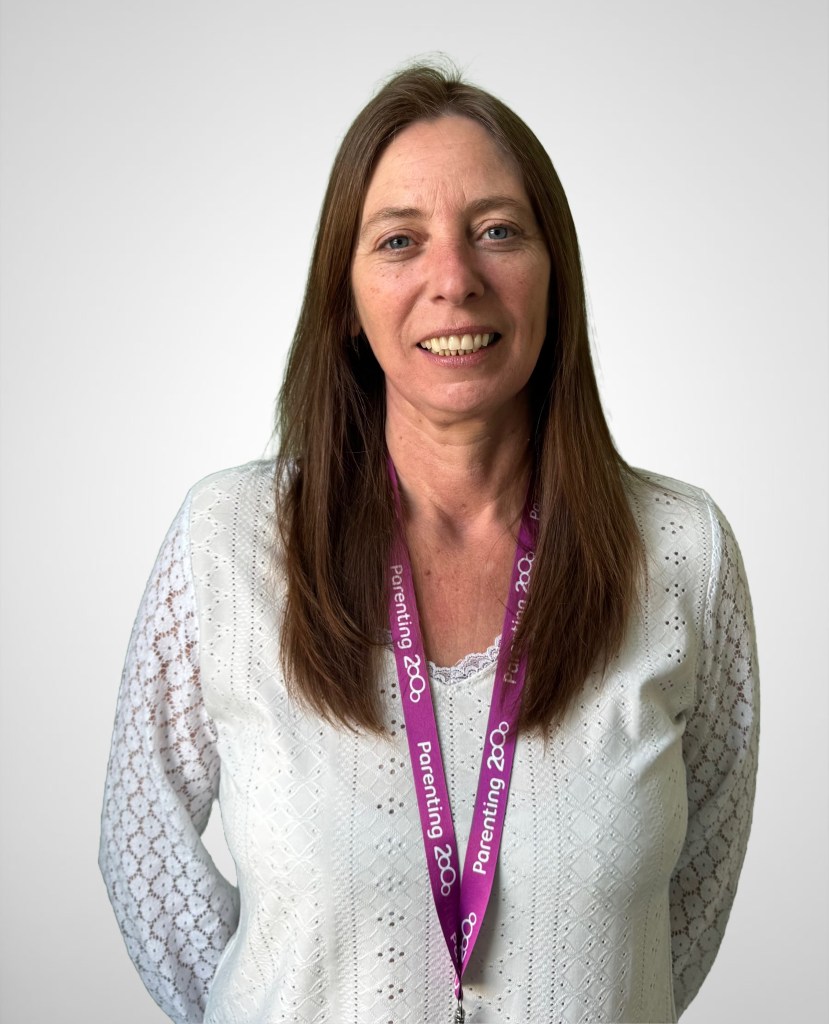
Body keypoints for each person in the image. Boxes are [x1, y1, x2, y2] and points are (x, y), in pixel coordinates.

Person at [99, 62, 759, 1024]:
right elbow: (141, 845)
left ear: (554, 274)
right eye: (400, 240)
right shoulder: (227, 543)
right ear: (345, 298)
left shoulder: (681, 551)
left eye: (497, 231)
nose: (453, 280)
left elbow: (692, 894)